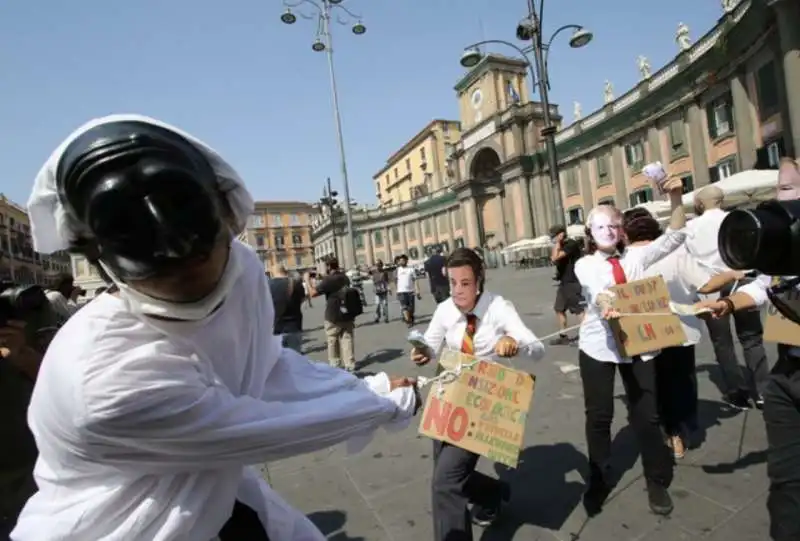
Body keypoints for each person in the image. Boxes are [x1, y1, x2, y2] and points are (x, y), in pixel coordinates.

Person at [15, 114, 421, 541]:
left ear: (229, 217)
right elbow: (249, 428)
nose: (179, 254)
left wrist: (366, 389)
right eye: (160, 266)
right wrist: (374, 402)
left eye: (201, 249)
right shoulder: (99, 380)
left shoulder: (241, 272)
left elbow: (261, 363)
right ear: (100, 254)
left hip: (215, 500)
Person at [696, 158, 800, 541]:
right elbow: (763, 286)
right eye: (782, 187)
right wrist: (726, 304)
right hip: (787, 369)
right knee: (786, 482)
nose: (781, 196)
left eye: (789, 188)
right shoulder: (784, 245)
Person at [410, 247, 545, 541]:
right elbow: (432, 346)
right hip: (447, 393)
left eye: (465, 283)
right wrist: (422, 352)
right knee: (444, 472)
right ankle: (493, 493)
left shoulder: (499, 307)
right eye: (453, 283)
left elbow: (537, 349)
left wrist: (514, 342)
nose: (457, 291)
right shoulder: (445, 309)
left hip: (483, 399)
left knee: (445, 482)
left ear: (479, 280)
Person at [574, 176, 686, 518]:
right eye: (600, 225)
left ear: (622, 229)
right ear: (590, 231)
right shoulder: (585, 264)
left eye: (614, 225)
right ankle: (599, 477)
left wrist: (677, 199)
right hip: (599, 346)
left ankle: (656, 480)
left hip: (639, 343)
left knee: (647, 415)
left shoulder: (636, 259)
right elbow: (596, 290)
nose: (607, 230)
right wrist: (606, 302)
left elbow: (674, 238)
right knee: (599, 416)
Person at [622, 208, 745, 459]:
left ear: (627, 233)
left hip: (642, 333)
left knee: (650, 385)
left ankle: (657, 432)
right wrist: (733, 274)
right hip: (680, 330)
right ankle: (678, 432)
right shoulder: (676, 253)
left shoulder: (623, 259)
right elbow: (706, 284)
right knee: (680, 383)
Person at [688, 184, 769, 409]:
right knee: (752, 338)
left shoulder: (691, 227)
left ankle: (737, 393)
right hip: (742, 279)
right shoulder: (738, 219)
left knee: (722, 342)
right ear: (721, 200)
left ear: (701, 203)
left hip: (711, 285)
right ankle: (762, 391)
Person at [307, 257, 358, 372]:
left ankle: (335, 363)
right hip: (347, 313)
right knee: (347, 338)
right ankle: (349, 364)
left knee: (332, 339)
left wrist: (308, 281)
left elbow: (313, 293)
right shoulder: (344, 277)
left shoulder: (328, 280)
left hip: (333, 313)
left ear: (328, 267)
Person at [549, 224, 585, 345]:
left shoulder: (571, 244)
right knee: (559, 309)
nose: (552, 238)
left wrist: (558, 243)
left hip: (573, 281)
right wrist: (557, 244)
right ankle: (563, 335)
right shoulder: (560, 245)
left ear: (561, 234)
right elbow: (553, 257)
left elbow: (555, 257)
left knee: (578, 310)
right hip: (564, 282)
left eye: (554, 236)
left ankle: (585, 336)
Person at [269, 266, 305, 353]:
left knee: (280, 360)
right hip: (294, 326)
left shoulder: (268, 285)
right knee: (295, 358)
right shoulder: (296, 283)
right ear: (285, 271)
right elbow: (302, 299)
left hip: (276, 327)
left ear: (272, 273)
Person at [395, 254, 421, 327]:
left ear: (406, 261)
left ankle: (411, 317)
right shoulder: (397, 270)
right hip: (401, 291)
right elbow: (395, 281)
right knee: (404, 307)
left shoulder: (411, 269)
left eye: (403, 260)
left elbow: (415, 280)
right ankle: (408, 321)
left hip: (410, 291)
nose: (401, 262)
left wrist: (417, 290)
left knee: (411, 308)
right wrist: (396, 291)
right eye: (400, 261)